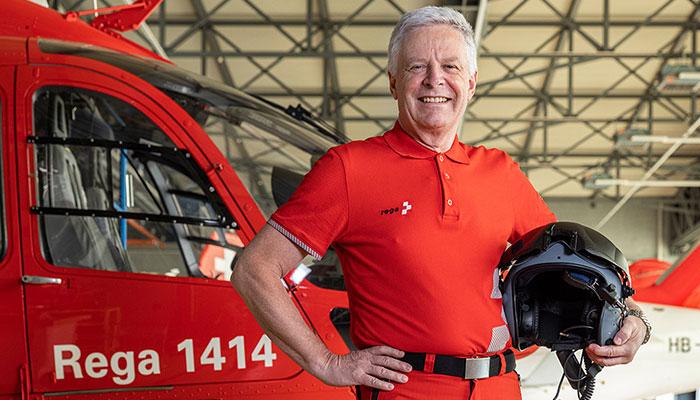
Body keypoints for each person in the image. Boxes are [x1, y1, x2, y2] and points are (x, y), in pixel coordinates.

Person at [231, 6, 649, 399]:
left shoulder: (500, 173)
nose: (435, 80)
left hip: (500, 387)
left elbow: (576, 271)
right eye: (417, 67)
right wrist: (325, 361)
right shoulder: (348, 169)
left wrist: (634, 322)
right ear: (394, 81)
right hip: (408, 390)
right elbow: (255, 269)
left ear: (470, 82)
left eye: (450, 67)